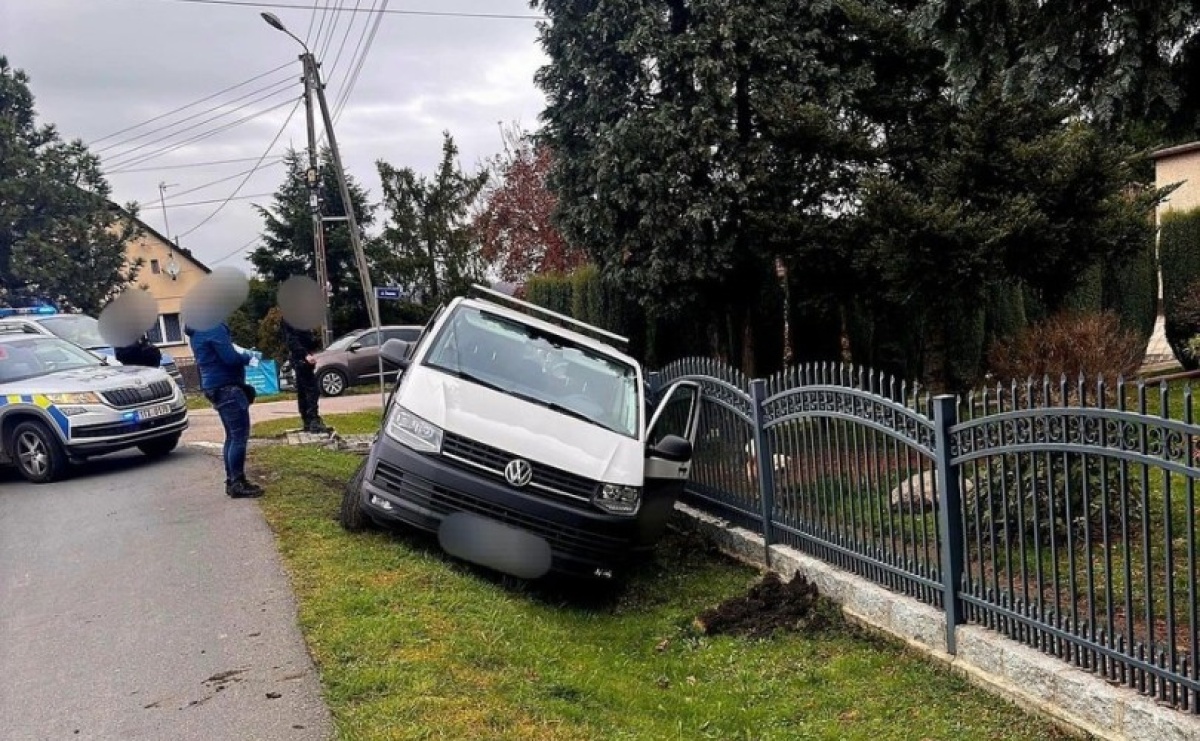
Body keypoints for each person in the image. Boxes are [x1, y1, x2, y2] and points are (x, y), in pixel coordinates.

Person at [185, 321, 263, 498]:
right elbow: (230, 358)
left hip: (215, 386)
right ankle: (237, 482)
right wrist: (249, 356)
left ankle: (232, 481)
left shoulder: (197, 328)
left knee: (231, 436)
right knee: (239, 436)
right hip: (227, 387)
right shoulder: (212, 327)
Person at [281, 318, 331, 434]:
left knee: (303, 390)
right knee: (312, 390)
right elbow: (292, 340)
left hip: (301, 357)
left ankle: (308, 421)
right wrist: (305, 354)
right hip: (301, 358)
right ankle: (313, 420)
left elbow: (303, 338)